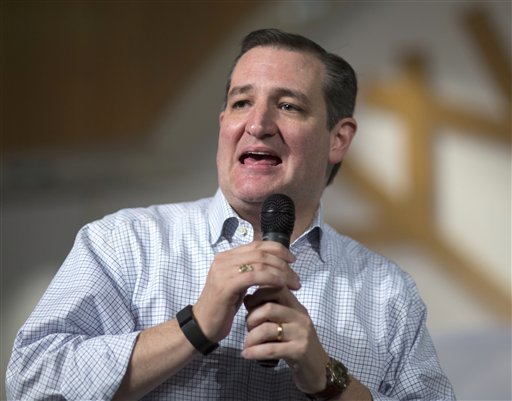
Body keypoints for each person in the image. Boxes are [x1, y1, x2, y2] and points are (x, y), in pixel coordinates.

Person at [6, 28, 455, 400]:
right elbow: (30, 380)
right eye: (241, 102)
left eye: (288, 106)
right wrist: (194, 326)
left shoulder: (387, 294)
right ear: (224, 123)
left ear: (338, 138)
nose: (257, 124)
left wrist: (327, 379)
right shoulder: (123, 243)